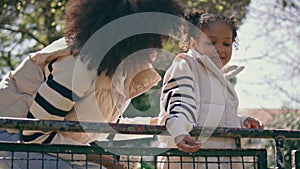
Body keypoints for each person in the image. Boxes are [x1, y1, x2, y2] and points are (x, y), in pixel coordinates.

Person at [0, 0, 184, 169]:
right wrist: (98, 158)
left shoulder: (117, 70)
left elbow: (104, 128)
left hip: (37, 144)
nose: (158, 47)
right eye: (155, 38)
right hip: (10, 138)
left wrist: (158, 124)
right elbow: (34, 134)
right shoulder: (77, 66)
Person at [157, 10, 264, 168]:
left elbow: (213, 112)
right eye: (211, 42)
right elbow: (180, 100)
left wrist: (241, 121)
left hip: (221, 161)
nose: (220, 49)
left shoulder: (221, 78)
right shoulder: (186, 65)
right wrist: (179, 130)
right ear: (193, 43)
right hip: (191, 160)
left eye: (226, 43)